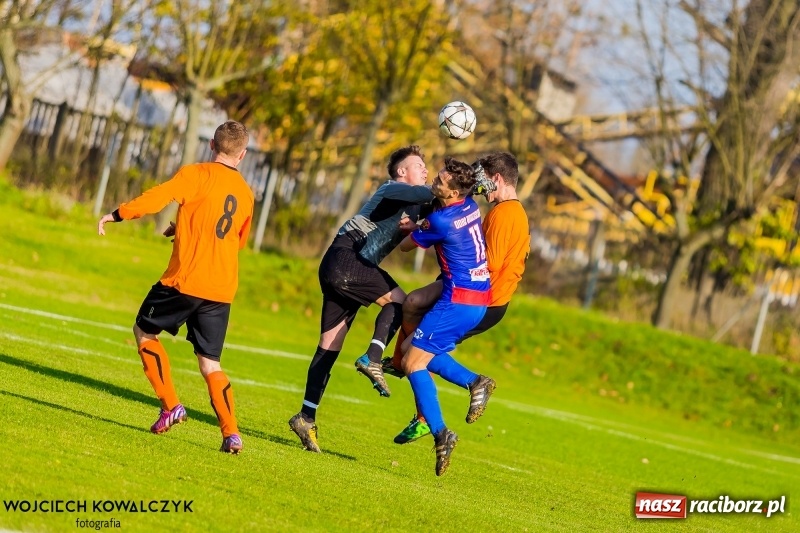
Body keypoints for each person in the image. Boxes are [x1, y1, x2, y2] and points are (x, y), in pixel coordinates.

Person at [97, 120, 254, 455]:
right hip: (221, 289)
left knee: (143, 331)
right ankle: (232, 433)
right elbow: (235, 240)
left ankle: (171, 406)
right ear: (242, 155)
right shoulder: (246, 193)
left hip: (185, 281)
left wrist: (118, 214)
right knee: (210, 363)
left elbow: (156, 197)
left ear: (212, 145)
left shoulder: (195, 174)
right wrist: (182, 226)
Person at [288, 145, 434, 453]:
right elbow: (427, 195)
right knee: (402, 303)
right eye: (418, 165)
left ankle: (305, 417)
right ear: (401, 172)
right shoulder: (392, 189)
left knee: (328, 349)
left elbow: (439, 209)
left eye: (426, 166)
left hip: (344, 269)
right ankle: (374, 357)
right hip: (346, 258)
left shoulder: (419, 203)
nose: (425, 169)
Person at [386, 151, 530, 445]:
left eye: (483, 179)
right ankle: (406, 369)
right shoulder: (503, 211)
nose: (478, 186)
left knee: (419, 349)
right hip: (478, 293)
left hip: (483, 298)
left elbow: (485, 265)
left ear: (498, 179)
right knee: (413, 305)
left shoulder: (505, 214)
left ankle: (441, 403)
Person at [397, 156, 491, 476]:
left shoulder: (441, 221)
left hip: (457, 301)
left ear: (453, 193)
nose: (435, 181)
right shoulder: (469, 206)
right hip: (479, 299)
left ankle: (442, 432)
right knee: (411, 345)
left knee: (412, 363)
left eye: (440, 180)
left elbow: (406, 248)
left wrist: (413, 227)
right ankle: (475, 383)